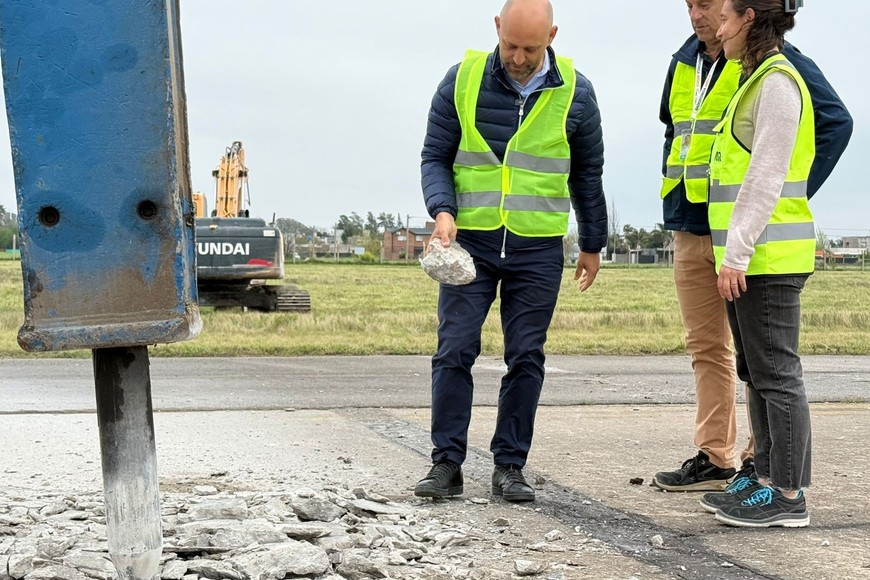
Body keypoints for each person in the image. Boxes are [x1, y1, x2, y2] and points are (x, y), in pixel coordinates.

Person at [652, 0, 852, 492]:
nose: (700, 16)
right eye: (691, 5)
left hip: (749, 238)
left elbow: (830, 127)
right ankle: (719, 458)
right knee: (717, 351)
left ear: (742, 14)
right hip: (696, 225)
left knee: (769, 367)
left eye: (711, 6)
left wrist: (789, 195)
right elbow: (675, 133)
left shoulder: (776, 68)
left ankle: (766, 473)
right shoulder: (684, 62)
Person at [415, 0, 606, 502]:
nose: (519, 58)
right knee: (455, 350)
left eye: (531, 48)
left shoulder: (577, 93)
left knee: (526, 356)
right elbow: (435, 156)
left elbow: (587, 176)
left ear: (552, 36)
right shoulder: (461, 80)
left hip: (537, 248)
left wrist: (593, 241)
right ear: (497, 28)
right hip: (470, 243)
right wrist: (442, 210)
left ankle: (509, 467)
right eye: (511, 45)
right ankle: (446, 464)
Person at [700, 0, 819, 527]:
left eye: (724, 19)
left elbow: (766, 177)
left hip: (767, 257)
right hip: (749, 256)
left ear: (748, 18)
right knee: (755, 371)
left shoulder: (778, 82)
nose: (717, 30)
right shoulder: (754, 78)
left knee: (777, 375)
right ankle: (766, 477)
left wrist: (739, 251)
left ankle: (788, 496)